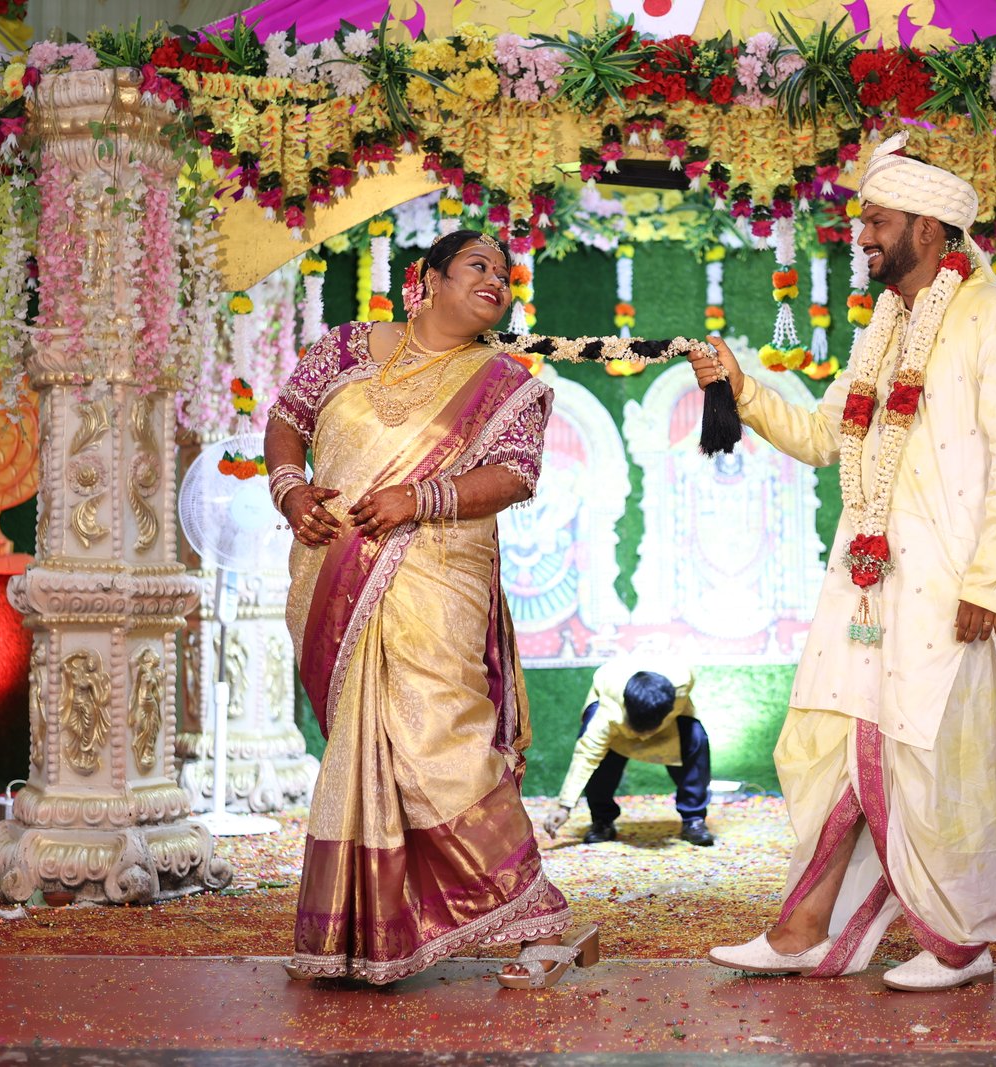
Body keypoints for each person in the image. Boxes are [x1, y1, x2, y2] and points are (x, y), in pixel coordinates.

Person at [687, 132, 996, 990]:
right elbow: (826, 436)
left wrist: (989, 582)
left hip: (950, 590)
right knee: (829, 745)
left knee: (938, 757)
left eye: (877, 222)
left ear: (927, 228)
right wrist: (742, 389)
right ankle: (803, 930)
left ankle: (960, 941)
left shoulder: (993, 319)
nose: (862, 238)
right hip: (862, 583)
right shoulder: (880, 329)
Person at [266, 229, 597, 988]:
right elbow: (288, 416)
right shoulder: (345, 348)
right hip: (333, 574)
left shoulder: (505, 382)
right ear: (427, 279)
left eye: (506, 275)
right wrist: (290, 489)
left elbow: (514, 476)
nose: (497, 282)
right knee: (365, 749)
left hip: (437, 578)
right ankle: (367, 933)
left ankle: (536, 918)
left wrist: (419, 498)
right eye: (479, 266)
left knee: (440, 740)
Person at [541, 658, 715, 847]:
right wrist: (564, 806)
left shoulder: (683, 682)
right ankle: (602, 820)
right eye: (639, 730)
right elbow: (585, 756)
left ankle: (694, 819)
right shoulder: (607, 713)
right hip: (616, 732)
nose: (643, 738)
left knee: (695, 736)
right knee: (597, 756)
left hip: (670, 728)